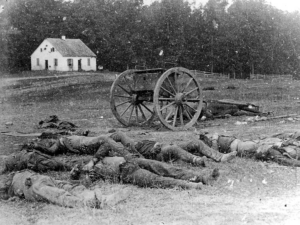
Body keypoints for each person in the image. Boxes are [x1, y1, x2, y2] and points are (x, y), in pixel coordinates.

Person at [0, 170, 130, 208]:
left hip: (40, 178)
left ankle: (101, 197)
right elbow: (5, 192)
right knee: (58, 195)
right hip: (31, 186)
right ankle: (88, 203)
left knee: (69, 187)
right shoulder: (6, 185)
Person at [199, 131, 300, 167]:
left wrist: (215, 139)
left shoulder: (273, 150)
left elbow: (286, 161)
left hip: (238, 145)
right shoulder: (273, 149)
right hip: (239, 145)